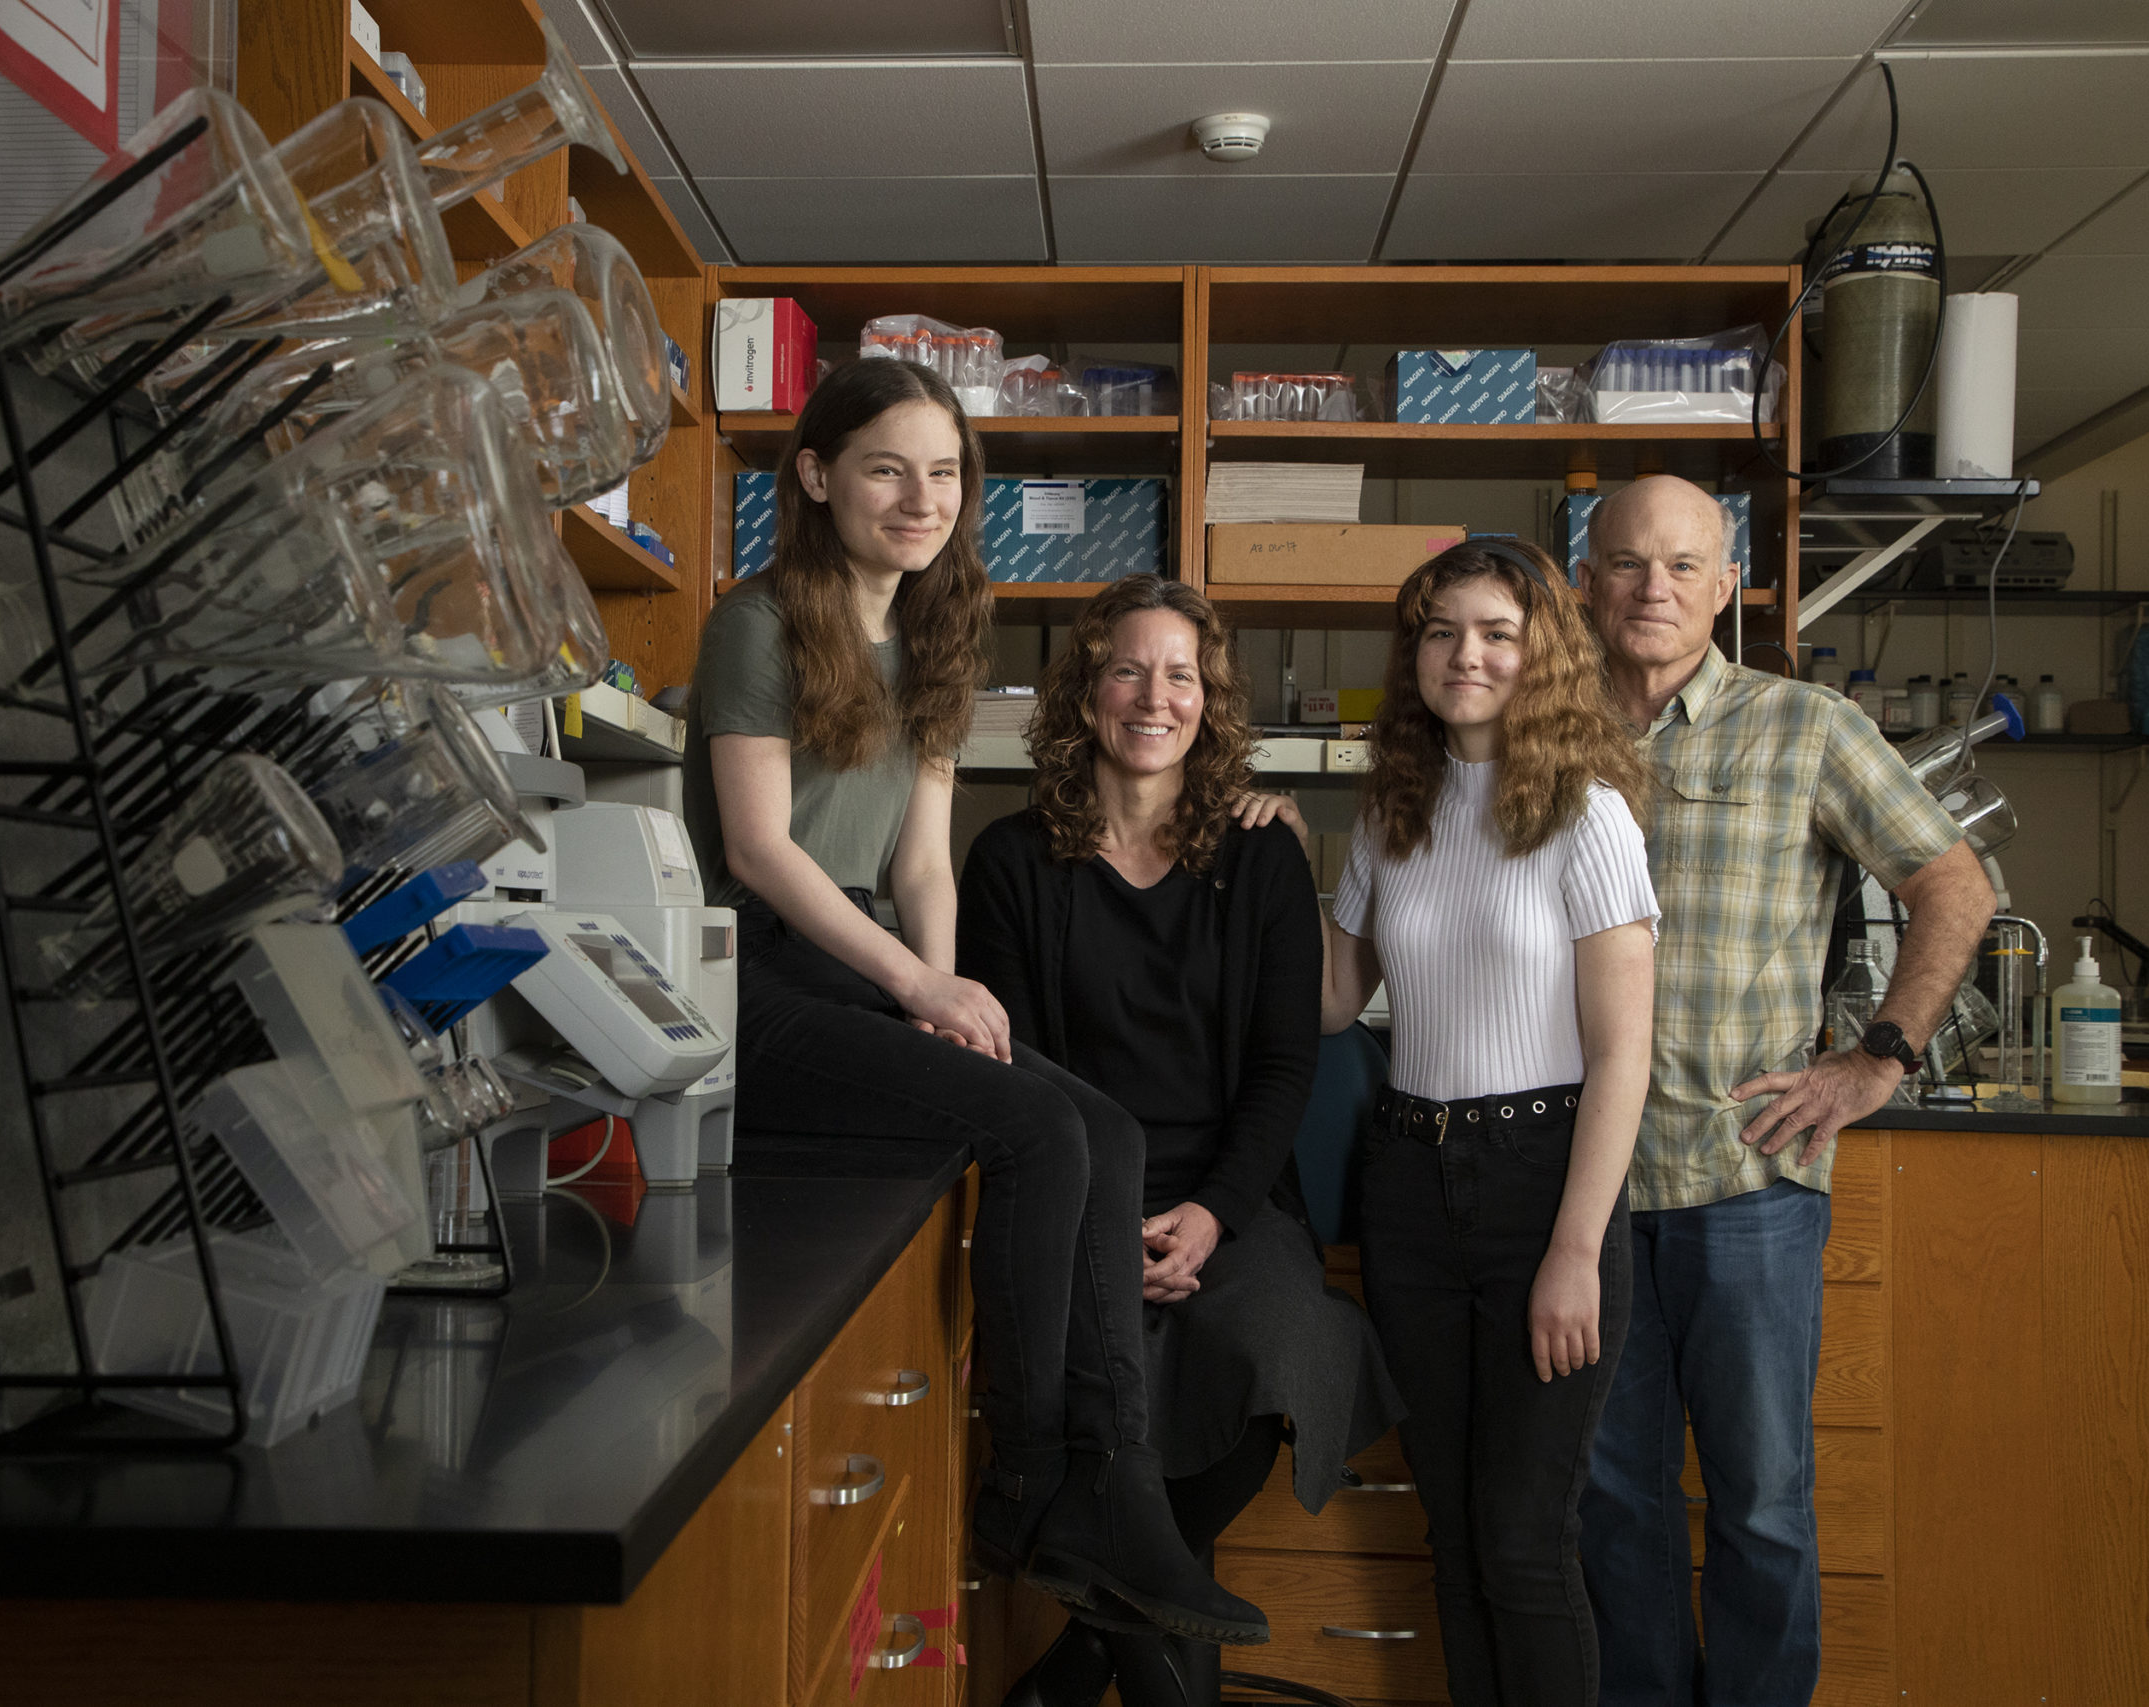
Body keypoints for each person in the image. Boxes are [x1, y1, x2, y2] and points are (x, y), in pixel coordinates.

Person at [678, 358, 1266, 1647]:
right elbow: (761, 849)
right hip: (756, 969)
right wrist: (914, 981)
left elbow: (922, 862)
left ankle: (1108, 1490)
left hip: (868, 954)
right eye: (886, 468)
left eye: (943, 472)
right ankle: (1027, 1480)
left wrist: (943, 992)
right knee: (1039, 1132)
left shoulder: (936, 627)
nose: (920, 497)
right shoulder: (758, 622)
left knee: (1097, 1131)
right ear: (818, 475)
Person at [1574, 476, 1993, 1707]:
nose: (1654, 588)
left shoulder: (1802, 725)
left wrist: (1880, 1056)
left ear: (1726, 585)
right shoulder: (1542, 733)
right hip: (1581, 1190)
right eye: (1628, 563)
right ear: (1585, 579)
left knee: (1758, 1499)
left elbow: (1950, 881)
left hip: (1744, 1177)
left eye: (1683, 565)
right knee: (1613, 1503)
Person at [960, 576, 1403, 1707]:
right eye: (1126, 670)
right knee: (1102, 1408)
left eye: (1182, 675)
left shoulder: (1257, 858)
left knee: (1272, 1354)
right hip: (1067, 1194)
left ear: (1211, 699)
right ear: (1083, 692)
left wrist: (1212, 1213)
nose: (1154, 698)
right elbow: (1013, 1070)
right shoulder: (1011, 862)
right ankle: (1129, 1617)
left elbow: (1282, 1068)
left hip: (1232, 1193)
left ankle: (1085, 1628)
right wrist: (1108, 1218)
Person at [1320, 539, 1661, 1707]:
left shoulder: (1586, 813)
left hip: (1540, 1188)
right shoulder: (1390, 814)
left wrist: (1575, 1252)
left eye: (1497, 634)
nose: (1466, 655)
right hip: (1410, 1188)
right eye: (1441, 631)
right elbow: (1326, 996)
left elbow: (1623, 1053)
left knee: (1524, 1544)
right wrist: (1251, 845)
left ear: (1541, 657)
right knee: (1456, 1543)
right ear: (1413, 651)